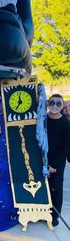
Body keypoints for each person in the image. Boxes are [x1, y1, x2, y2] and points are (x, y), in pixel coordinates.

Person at [47, 94, 70, 228]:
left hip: (57, 162)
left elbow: (67, 147)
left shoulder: (66, 124)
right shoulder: (44, 120)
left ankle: (55, 216)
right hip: (44, 160)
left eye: (58, 104)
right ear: (48, 104)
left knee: (57, 188)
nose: (55, 106)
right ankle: (45, 211)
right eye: (52, 103)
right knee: (46, 187)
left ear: (61, 106)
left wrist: (55, 165)